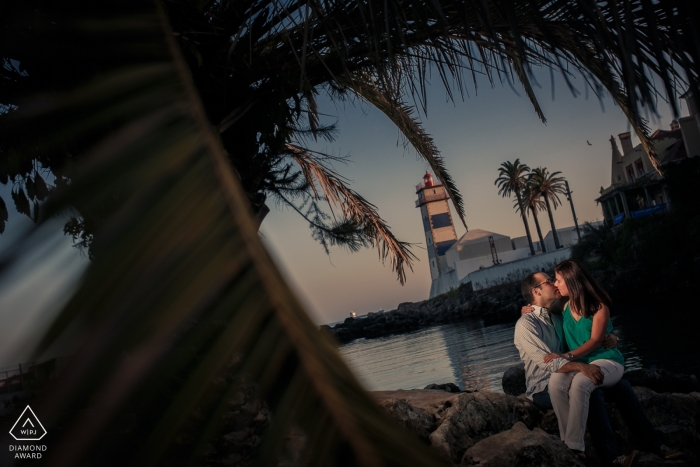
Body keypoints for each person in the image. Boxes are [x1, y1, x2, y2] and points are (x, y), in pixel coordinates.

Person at [514, 270, 682, 466]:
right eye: (549, 281)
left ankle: (655, 446)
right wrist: (583, 368)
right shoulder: (526, 325)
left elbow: (585, 336)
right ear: (537, 291)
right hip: (543, 388)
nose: (554, 283)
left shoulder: (557, 317)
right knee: (592, 392)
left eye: (554, 280)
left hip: (570, 376)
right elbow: (546, 362)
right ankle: (611, 458)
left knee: (623, 387)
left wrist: (610, 339)